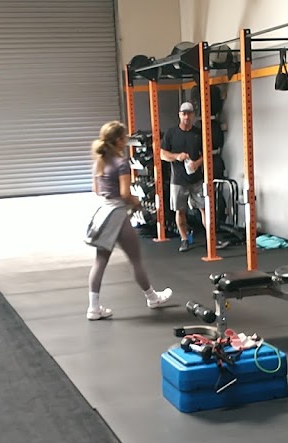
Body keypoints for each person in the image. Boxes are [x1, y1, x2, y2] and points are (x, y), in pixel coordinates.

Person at [85, 120, 173, 320]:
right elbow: (125, 193)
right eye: (124, 138)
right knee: (135, 260)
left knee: (100, 261)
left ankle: (93, 308)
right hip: (117, 214)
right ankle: (152, 298)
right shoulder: (121, 163)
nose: (125, 141)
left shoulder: (99, 162)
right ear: (118, 140)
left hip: (103, 213)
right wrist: (137, 203)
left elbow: (96, 190)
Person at [160, 102, 207, 252]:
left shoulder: (199, 133)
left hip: (197, 179)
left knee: (204, 208)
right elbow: (162, 154)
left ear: (193, 115)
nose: (186, 117)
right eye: (184, 114)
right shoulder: (171, 133)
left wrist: (197, 163)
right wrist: (176, 156)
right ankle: (184, 239)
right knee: (180, 210)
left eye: (189, 114)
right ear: (179, 115)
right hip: (178, 180)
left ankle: (211, 238)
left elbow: (206, 154)